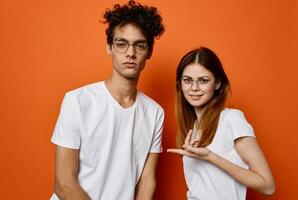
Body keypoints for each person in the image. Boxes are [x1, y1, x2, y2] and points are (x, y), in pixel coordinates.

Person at [50, 1, 165, 199]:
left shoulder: (155, 112)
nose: (130, 53)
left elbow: (147, 180)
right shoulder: (78, 101)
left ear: (149, 52)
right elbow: (64, 184)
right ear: (109, 48)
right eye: (121, 44)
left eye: (139, 45)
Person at [167, 47, 275, 200]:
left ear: (217, 83)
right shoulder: (194, 128)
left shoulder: (232, 119)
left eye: (203, 80)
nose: (194, 88)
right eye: (188, 80)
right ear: (180, 84)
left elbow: (267, 186)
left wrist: (211, 157)